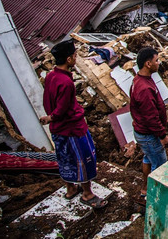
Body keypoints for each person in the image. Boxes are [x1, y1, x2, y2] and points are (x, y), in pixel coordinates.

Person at [40, 40, 108, 209]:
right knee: (84, 160)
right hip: (72, 129)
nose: (76, 58)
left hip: (58, 130)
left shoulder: (50, 76)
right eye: (75, 56)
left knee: (65, 159)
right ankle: (87, 194)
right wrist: (52, 117)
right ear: (69, 59)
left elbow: (49, 101)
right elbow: (62, 109)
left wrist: (50, 117)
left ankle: (70, 189)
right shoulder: (66, 82)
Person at [130, 47, 168, 200]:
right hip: (149, 134)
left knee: (148, 158)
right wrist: (162, 135)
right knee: (160, 165)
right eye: (156, 60)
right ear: (148, 64)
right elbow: (150, 117)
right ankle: (154, 197)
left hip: (143, 132)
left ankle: (145, 189)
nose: (159, 63)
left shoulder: (140, 79)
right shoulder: (144, 88)